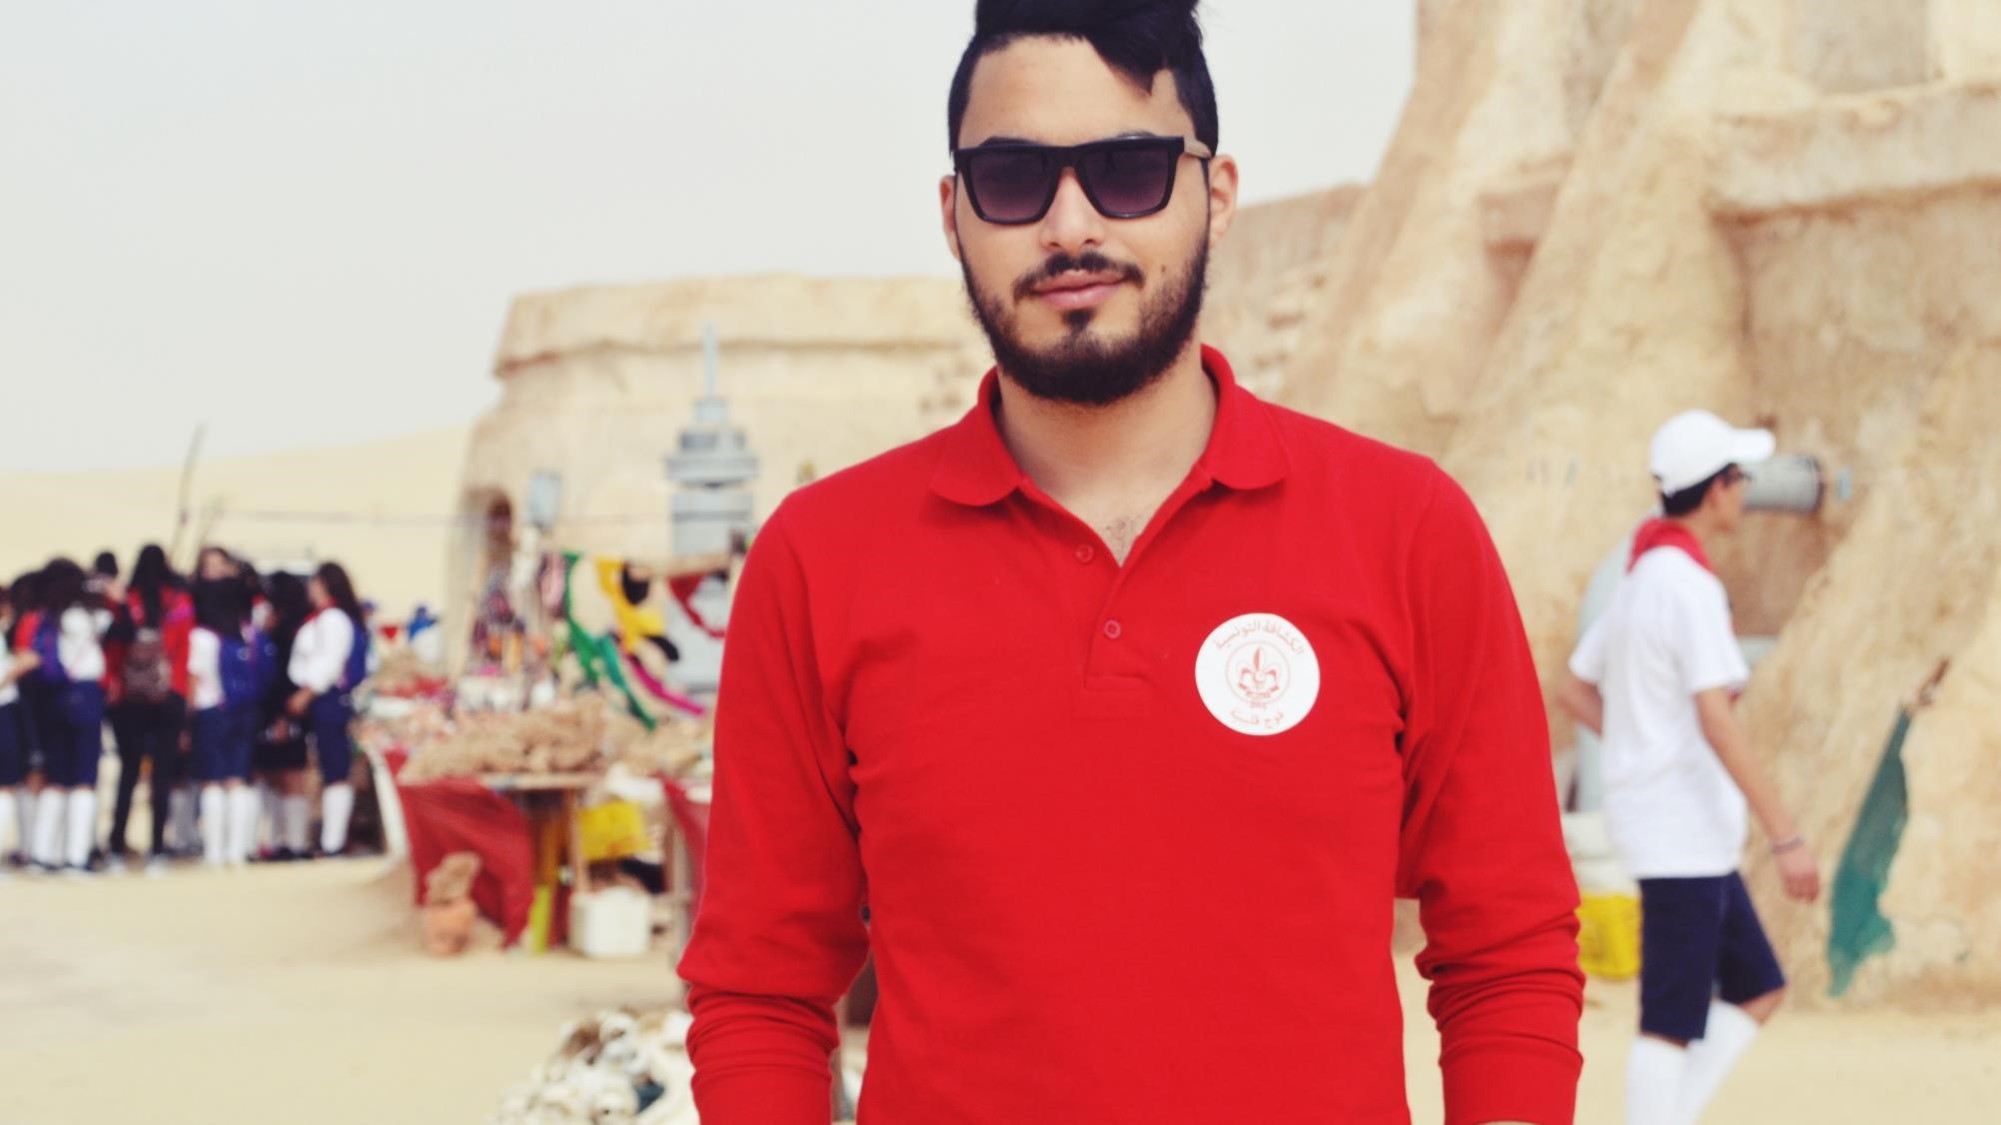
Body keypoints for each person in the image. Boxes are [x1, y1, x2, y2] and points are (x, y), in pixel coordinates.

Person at [676, 4, 1583, 1122]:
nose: (1070, 226)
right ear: (955, 214)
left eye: (1127, 171)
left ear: (1217, 193)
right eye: (1014, 179)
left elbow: (1506, 949)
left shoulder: (1404, 531)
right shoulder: (822, 559)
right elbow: (761, 988)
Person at [1558, 410, 1822, 1125]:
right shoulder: (1685, 584)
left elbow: (1574, 687)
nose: (1746, 491)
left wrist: (1638, 742)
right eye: (1740, 477)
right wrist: (1786, 835)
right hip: (1679, 830)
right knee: (1669, 1018)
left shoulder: (1642, 577)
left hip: (1680, 829)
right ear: (1716, 489)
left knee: (1758, 986)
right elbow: (1716, 718)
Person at [20, 558, 116, 876]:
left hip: (55, 698)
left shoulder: (47, 617)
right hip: (85, 696)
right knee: (84, 779)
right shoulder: (87, 616)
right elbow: (121, 625)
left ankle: (41, 855)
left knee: (57, 778)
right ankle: (76, 857)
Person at [104, 544, 194, 873]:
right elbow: (185, 650)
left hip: (131, 697)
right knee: (162, 774)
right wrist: (180, 692)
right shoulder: (181, 602)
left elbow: (114, 648)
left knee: (129, 772)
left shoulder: (127, 601)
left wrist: (116, 684)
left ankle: (116, 847)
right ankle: (157, 850)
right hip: (170, 693)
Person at [287, 562, 369, 857]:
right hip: (319, 697)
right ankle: (328, 837)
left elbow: (330, 663)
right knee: (326, 766)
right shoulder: (321, 619)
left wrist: (306, 694)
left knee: (335, 768)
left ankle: (333, 841)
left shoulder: (333, 619)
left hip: (327, 697)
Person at [187, 578, 270, 868]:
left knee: (212, 781)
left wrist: (186, 720)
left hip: (210, 709)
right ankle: (238, 849)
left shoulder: (202, 636)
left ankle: (215, 851)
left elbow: (194, 677)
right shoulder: (248, 633)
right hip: (244, 711)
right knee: (238, 779)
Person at [255, 572, 315, 861]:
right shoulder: (283, 627)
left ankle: (295, 842)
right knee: (276, 776)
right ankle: (282, 839)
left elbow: (284, 677)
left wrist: (282, 717)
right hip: (276, 709)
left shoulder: (289, 631)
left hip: (285, 710)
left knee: (290, 774)